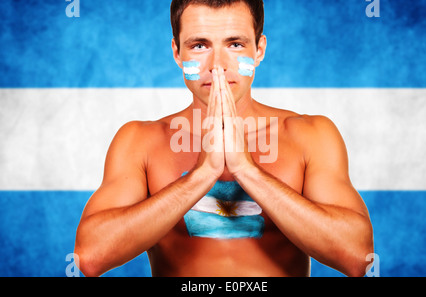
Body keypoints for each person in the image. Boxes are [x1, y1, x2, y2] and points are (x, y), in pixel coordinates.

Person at [74, 0, 374, 277]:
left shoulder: (309, 135)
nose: (218, 64)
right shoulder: (141, 141)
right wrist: (201, 175)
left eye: (235, 44)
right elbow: (90, 257)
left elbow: (358, 258)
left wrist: (247, 171)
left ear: (259, 49)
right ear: (177, 52)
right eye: (200, 45)